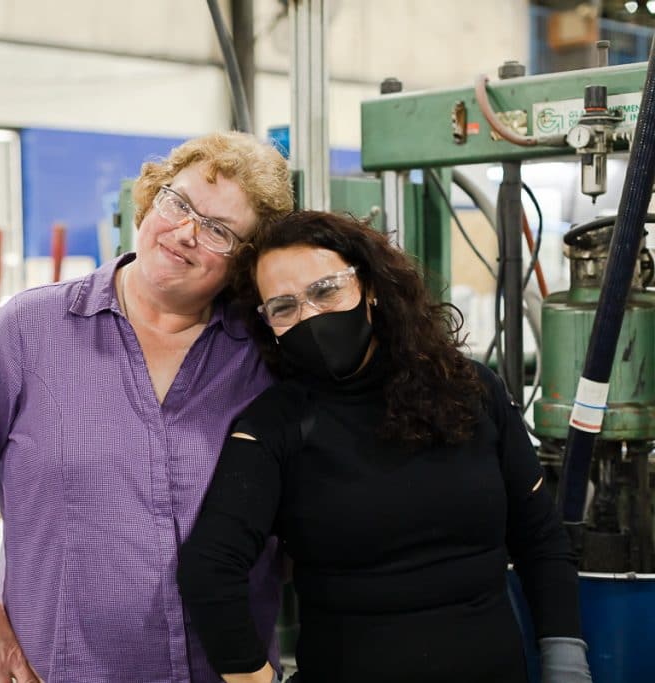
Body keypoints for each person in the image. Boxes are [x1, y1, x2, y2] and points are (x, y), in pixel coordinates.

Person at [0, 132, 294, 683]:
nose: (185, 233)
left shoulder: (262, 357)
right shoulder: (31, 331)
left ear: (245, 262)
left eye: (219, 231)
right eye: (178, 203)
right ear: (154, 194)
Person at [177, 211, 591, 683]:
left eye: (325, 290)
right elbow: (209, 568)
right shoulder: (276, 425)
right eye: (284, 307)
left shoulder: (471, 390)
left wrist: (566, 665)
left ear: (369, 287)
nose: (311, 316)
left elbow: (542, 541)